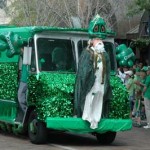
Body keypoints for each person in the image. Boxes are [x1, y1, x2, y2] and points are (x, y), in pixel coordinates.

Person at [74, 38, 112, 129]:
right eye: (97, 39)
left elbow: (107, 69)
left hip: (101, 83)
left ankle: (96, 119)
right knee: (90, 99)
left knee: (99, 99)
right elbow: (84, 70)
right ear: (91, 42)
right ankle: (88, 117)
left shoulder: (104, 54)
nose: (100, 41)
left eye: (101, 40)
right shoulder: (87, 53)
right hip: (91, 84)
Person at [15, 47, 29, 123]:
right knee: (21, 98)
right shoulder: (24, 56)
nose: (21, 50)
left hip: (26, 80)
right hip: (23, 79)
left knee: (21, 97)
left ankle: (26, 115)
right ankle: (24, 116)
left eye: (22, 49)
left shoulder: (28, 55)